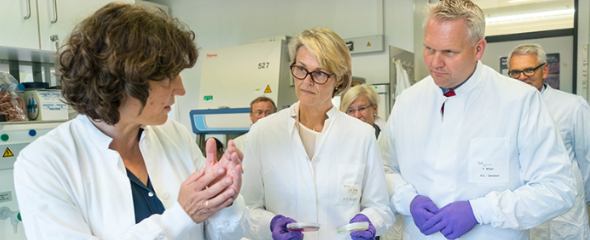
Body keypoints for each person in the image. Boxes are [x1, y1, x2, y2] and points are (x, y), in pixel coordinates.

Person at [13, 3, 249, 239]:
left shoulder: (174, 134)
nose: (180, 89)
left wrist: (223, 198)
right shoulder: (43, 163)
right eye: (167, 77)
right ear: (119, 80)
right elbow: (186, 217)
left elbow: (223, 235)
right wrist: (181, 216)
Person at [378, 0, 577, 239]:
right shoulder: (408, 101)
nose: (435, 62)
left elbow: (558, 189)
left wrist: (480, 211)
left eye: (449, 52)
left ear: (479, 49)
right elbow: (384, 169)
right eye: (429, 48)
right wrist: (407, 199)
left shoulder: (520, 101)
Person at [242, 27, 394, 240]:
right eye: (301, 69)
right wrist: (269, 225)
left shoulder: (362, 135)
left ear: (339, 79)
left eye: (320, 73)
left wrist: (371, 221)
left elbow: (381, 209)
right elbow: (247, 209)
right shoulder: (263, 132)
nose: (307, 81)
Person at [508, 43, 590, 240]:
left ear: (544, 70)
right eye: (515, 72)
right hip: (522, 209)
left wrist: (583, 200)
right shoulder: (506, 109)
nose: (522, 77)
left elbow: (587, 160)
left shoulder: (572, 106)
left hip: (564, 212)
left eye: (528, 69)